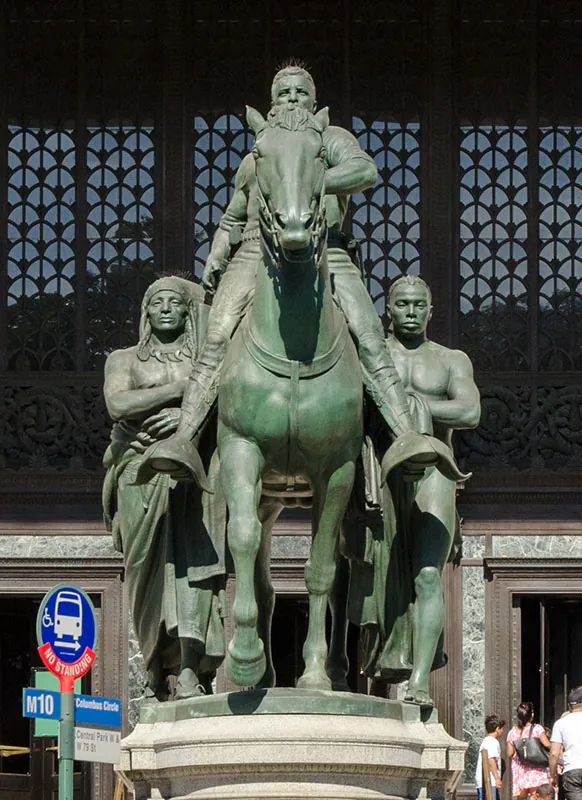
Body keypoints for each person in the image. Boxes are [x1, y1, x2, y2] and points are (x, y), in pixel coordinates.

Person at [145, 63, 441, 484]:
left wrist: (306, 179)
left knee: (369, 336)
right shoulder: (258, 151)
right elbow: (233, 216)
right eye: (284, 93)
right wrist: (217, 249)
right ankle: (184, 438)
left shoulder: (330, 138)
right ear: (270, 104)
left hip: (326, 250)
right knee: (216, 337)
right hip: (254, 251)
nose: (292, 99)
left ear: (315, 102)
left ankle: (404, 435)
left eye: (301, 92)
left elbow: (365, 171)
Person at [346, 275, 480, 705]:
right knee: (377, 577)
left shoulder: (450, 360)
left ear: (431, 311)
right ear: (388, 310)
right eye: (402, 304)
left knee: (427, 574)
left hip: (434, 468)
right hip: (381, 473)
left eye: (418, 305)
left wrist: (413, 406)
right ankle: (372, 675)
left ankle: (419, 681)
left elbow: (469, 410)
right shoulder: (369, 355)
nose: (410, 312)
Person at [102, 276, 227, 700]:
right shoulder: (124, 360)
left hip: (194, 473)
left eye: (175, 302)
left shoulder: (209, 361)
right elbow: (118, 404)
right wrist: (183, 391)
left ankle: (191, 667)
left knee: (195, 568)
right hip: (138, 471)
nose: (167, 309)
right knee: (144, 570)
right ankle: (154, 663)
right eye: (157, 303)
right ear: (146, 312)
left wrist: (184, 418)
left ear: (188, 312)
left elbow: (231, 405)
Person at [506, 701, 551, 798]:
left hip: (520, 769)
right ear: (532, 715)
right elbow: (547, 744)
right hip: (535, 767)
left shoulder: (512, 732)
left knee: (521, 797)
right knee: (535, 795)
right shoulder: (537, 729)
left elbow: (509, 753)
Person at [550, 686, 582, 800]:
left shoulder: (560, 723)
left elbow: (554, 753)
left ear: (569, 706)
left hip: (572, 770)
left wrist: (552, 775)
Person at [476, 714, 506, 800]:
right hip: (489, 781)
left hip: (483, 781)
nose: (502, 731)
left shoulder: (486, 741)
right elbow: (491, 760)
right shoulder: (492, 742)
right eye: (502, 729)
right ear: (497, 729)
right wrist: (497, 778)